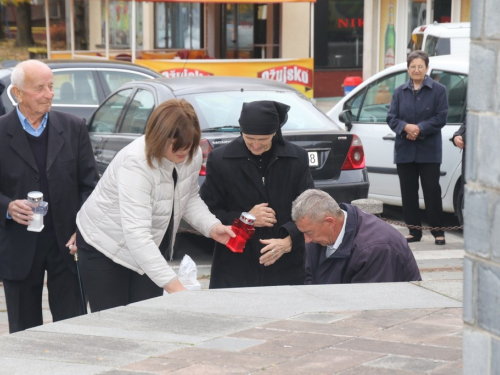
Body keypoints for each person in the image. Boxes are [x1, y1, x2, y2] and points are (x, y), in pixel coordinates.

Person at [76, 99, 234, 313]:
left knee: (146, 317)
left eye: (189, 146)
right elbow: (136, 234)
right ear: (159, 137)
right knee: (113, 324)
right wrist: (176, 288)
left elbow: (188, 197)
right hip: (106, 245)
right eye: (177, 147)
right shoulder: (136, 163)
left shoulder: (191, 153)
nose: (184, 153)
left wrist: (212, 226)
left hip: (148, 241)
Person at [0, 60, 99, 333]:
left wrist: (83, 229)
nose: (49, 94)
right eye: (40, 88)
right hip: (19, 247)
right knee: (23, 331)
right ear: (18, 93)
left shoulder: (73, 127)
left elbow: (90, 186)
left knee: (73, 326)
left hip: (66, 246)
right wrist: (8, 206)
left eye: (51, 86)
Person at [200, 100, 314, 289]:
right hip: (236, 265)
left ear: (275, 133)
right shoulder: (221, 160)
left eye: (262, 140)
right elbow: (207, 212)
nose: (255, 145)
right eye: (249, 138)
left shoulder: (296, 158)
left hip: (285, 264)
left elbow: (310, 208)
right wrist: (247, 218)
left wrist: (289, 241)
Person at [291, 189, 422, 284]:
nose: (306, 240)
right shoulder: (318, 235)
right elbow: (310, 282)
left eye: (309, 233)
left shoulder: (375, 249)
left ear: (329, 222)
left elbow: (366, 308)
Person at [387, 50, 448, 245]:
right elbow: (391, 118)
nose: (416, 70)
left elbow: (441, 117)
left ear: (426, 68)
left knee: (431, 191)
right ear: (407, 68)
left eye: (420, 66)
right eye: (412, 66)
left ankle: (438, 232)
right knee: (408, 192)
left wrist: (419, 128)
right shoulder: (399, 92)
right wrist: (405, 128)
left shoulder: (438, 90)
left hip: (429, 150)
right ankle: (414, 231)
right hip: (405, 150)